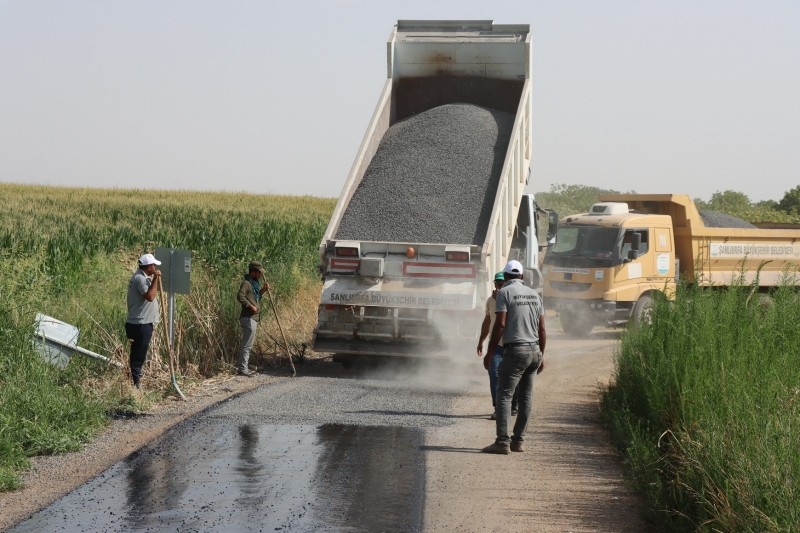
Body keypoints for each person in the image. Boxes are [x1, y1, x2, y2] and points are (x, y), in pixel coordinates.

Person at [482, 259, 546, 454]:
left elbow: (500, 324)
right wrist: (541, 355)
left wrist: (490, 351)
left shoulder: (504, 293)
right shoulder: (535, 295)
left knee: (504, 396)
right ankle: (518, 441)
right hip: (534, 350)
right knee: (526, 398)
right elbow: (541, 328)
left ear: (506, 276)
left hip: (515, 350)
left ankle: (502, 442)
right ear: (522, 276)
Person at [477, 271, 518, 420]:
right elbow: (487, 322)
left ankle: (514, 404)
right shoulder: (490, 301)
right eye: (498, 285)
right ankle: (498, 408)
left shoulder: (513, 298)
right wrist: (481, 340)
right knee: (494, 375)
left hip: (512, 345)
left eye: (503, 285)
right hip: (496, 346)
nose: (500, 288)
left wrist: (501, 299)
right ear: (494, 284)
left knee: (514, 377)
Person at [125, 253, 162, 389]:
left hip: (141, 323)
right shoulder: (140, 278)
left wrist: (154, 279)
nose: (155, 267)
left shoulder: (142, 276)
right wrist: (156, 279)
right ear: (149, 267)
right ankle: (135, 385)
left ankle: (133, 382)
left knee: (138, 355)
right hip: (140, 324)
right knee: (138, 357)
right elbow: (150, 296)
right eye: (154, 265)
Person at [236, 261, 269, 377]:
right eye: (259, 273)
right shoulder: (246, 283)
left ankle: (244, 366)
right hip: (248, 318)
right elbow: (240, 296)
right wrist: (250, 306)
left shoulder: (254, 284)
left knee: (248, 345)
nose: (260, 275)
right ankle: (243, 369)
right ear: (253, 272)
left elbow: (255, 298)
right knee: (247, 345)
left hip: (253, 319)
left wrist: (263, 290)